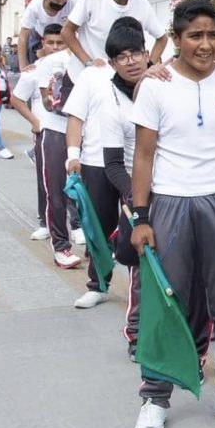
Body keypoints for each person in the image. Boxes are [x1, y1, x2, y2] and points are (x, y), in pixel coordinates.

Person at [126, 1, 215, 428]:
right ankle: (154, 397)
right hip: (170, 203)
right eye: (195, 36)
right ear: (178, 38)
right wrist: (142, 216)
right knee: (166, 301)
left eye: (212, 35)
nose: (205, 44)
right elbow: (144, 154)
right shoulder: (156, 86)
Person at [65, 18, 146, 316]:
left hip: (141, 167)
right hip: (97, 163)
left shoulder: (156, 77)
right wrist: (72, 155)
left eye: (134, 51)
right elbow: (75, 117)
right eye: (121, 54)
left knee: (136, 234)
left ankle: (142, 292)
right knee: (99, 227)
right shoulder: (93, 75)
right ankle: (97, 285)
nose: (130, 59)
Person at [11, 23, 80, 268]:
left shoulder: (93, 62)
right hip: (52, 131)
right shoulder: (44, 67)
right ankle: (60, 244)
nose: (56, 47)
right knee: (54, 189)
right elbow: (29, 100)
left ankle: (82, 230)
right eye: (51, 42)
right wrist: (36, 122)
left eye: (60, 42)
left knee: (84, 189)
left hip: (85, 134)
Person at [20, 0, 74, 70]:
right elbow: (23, 37)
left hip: (63, 37)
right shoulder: (34, 7)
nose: (61, 2)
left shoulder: (73, 1)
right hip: (39, 37)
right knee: (37, 67)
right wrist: (22, 66)